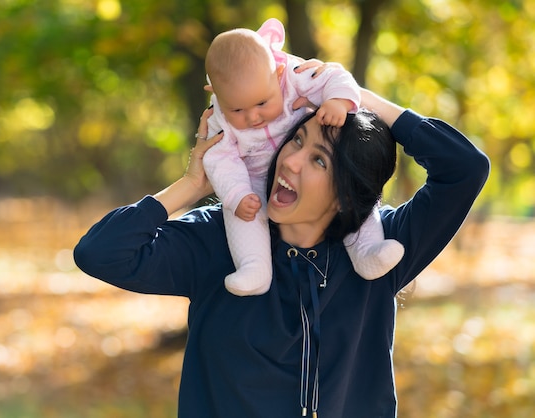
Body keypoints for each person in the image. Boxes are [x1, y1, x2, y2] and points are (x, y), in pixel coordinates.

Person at [73, 87, 490, 417]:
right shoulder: (219, 240)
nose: (290, 162)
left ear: (349, 196)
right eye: (296, 140)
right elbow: (101, 252)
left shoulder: (381, 253)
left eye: (319, 160)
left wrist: (350, 93)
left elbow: (465, 168)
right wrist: (193, 185)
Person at [202, 18, 404, 295]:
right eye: (237, 110)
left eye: (262, 103)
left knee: (347, 188)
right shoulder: (220, 120)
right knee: (242, 214)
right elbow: (219, 159)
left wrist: (337, 100)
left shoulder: (293, 75)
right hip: (255, 178)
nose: (253, 117)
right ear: (215, 93)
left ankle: (368, 250)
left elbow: (335, 76)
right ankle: (254, 268)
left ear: (278, 74)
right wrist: (236, 193)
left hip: (310, 166)